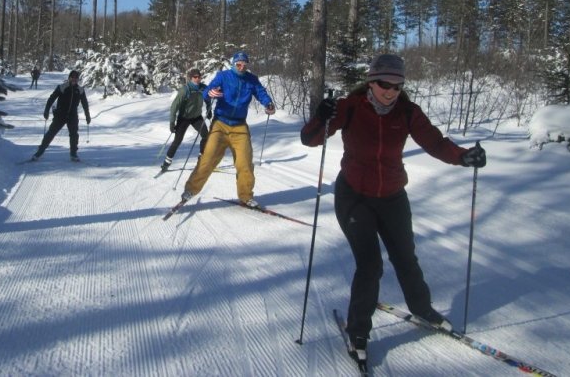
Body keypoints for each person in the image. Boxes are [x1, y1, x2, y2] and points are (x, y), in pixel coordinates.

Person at [300, 54, 486, 368]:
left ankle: (422, 309)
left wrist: (464, 156)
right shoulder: (350, 106)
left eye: (397, 85)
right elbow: (310, 139)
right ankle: (358, 333)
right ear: (371, 82)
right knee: (370, 265)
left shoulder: (407, 112)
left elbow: (436, 143)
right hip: (354, 196)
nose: (391, 90)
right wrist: (321, 116)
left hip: (392, 196)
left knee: (406, 257)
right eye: (384, 83)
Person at [180, 51, 276, 208]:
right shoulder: (223, 76)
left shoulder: (251, 80)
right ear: (233, 64)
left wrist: (268, 103)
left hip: (240, 127)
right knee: (208, 159)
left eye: (245, 65)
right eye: (238, 64)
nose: (241, 67)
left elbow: (261, 92)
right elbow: (207, 91)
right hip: (220, 124)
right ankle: (190, 190)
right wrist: (210, 94)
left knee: (245, 163)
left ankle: (246, 196)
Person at [32, 70, 91, 162]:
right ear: (69, 78)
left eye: (76, 78)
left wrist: (87, 115)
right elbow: (51, 99)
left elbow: (85, 104)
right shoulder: (62, 87)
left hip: (72, 115)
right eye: (72, 77)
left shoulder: (80, 90)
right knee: (51, 133)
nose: (74, 79)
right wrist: (46, 110)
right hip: (60, 114)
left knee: (74, 135)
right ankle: (39, 152)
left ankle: (73, 154)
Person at [161, 68, 211, 172]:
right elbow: (174, 106)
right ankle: (166, 163)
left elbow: (208, 98)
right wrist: (172, 121)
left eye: (199, 77)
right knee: (177, 141)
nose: (197, 79)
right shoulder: (185, 90)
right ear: (191, 78)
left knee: (206, 135)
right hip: (184, 118)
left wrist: (209, 110)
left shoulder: (203, 88)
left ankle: (201, 159)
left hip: (196, 117)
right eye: (195, 77)